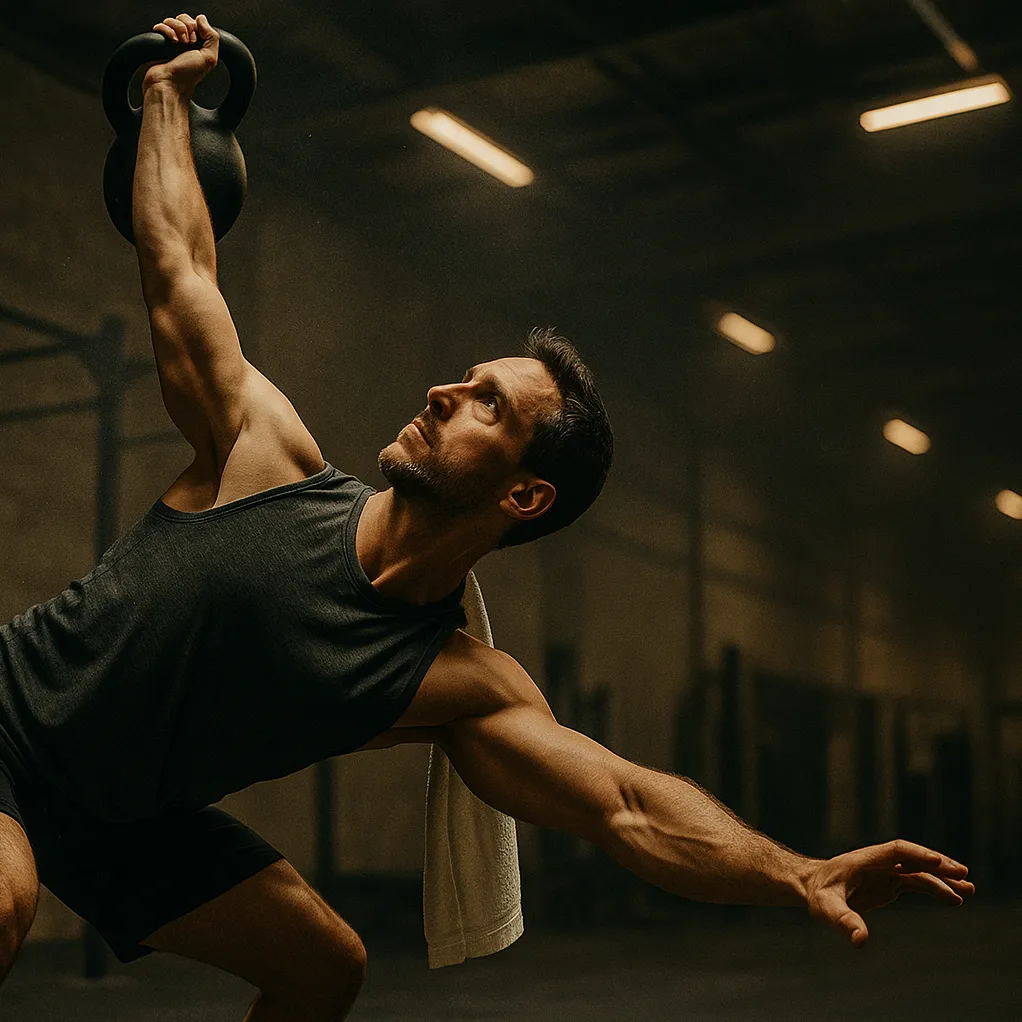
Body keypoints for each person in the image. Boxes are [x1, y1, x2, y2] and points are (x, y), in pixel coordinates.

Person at [0, 12, 974, 1021]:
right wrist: (164, 97)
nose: (438, 392)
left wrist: (793, 872)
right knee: (4, 898)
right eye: (462, 379)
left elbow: (624, 804)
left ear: (524, 494)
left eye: (485, 405)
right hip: (11, 723)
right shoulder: (263, 457)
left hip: (125, 816)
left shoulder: (453, 681)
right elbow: (179, 265)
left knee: (322, 965)